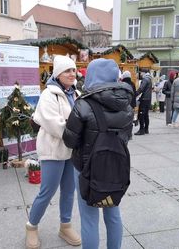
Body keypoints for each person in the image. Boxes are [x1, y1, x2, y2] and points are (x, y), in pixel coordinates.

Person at [62, 58, 133, 249]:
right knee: (113, 213)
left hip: (86, 168)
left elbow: (69, 140)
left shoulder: (83, 104)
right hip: (115, 167)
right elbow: (126, 136)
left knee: (89, 218)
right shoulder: (126, 104)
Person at [25, 55, 81, 249]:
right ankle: (31, 226)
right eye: (68, 70)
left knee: (69, 190)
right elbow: (54, 125)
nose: (72, 74)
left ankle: (65, 226)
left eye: (74, 70)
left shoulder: (77, 94)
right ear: (58, 73)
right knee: (47, 191)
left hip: (71, 151)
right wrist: (80, 134)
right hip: (53, 150)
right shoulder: (49, 94)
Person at [134, 68, 152, 135]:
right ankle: (146, 129)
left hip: (144, 99)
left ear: (144, 72)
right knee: (146, 115)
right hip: (148, 99)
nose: (140, 74)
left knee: (141, 114)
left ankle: (141, 130)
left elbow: (141, 88)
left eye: (141, 73)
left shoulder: (145, 79)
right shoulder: (150, 78)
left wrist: (135, 94)